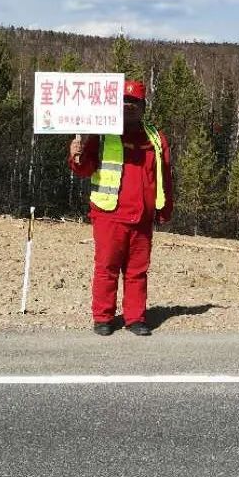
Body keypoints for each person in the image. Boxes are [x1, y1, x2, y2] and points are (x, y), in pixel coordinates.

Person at [68, 79, 173, 336]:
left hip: (143, 217)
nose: (129, 106)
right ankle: (103, 317)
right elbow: (85, 168)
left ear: (144, 106)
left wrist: (164, 208)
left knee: (138, 270)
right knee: (107, 267)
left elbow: (165, 175)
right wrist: (76, 154)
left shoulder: (156, 137)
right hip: (110, 214)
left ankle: (135, 318)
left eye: (134, 102)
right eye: (124, 101)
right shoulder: (102, 132)